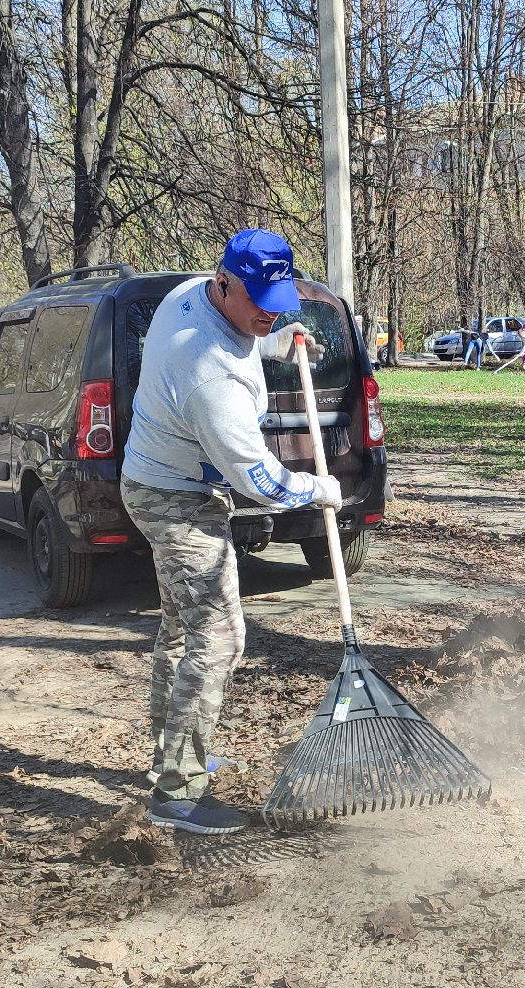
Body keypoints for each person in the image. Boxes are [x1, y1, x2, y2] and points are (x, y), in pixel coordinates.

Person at [120, 228, 344, 834]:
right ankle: (177, 793)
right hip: (177, 500)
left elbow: (238, 331)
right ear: (224, 283)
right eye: (260, 304)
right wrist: (318, 489)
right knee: (219, 638)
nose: (271, 313)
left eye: (279, 302)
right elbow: (259, 481)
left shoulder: (191, 294)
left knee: (181, 629)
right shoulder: (210, 378)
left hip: (153, 478)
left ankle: (169, 760)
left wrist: (272, 341)